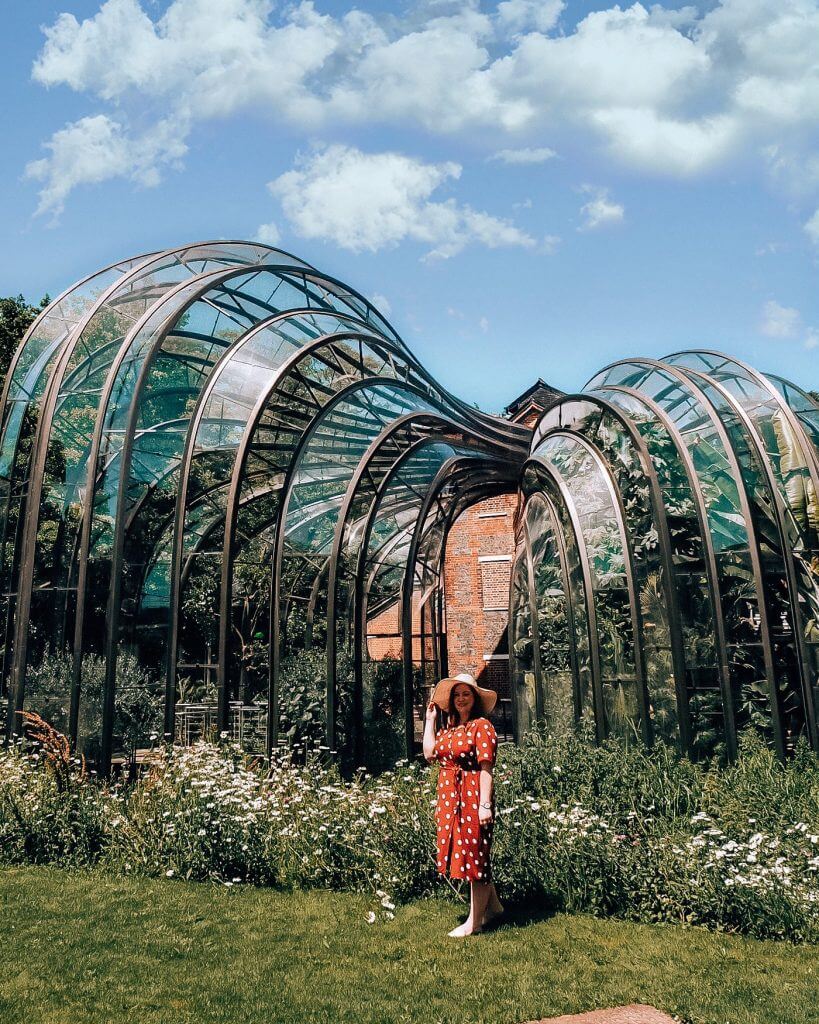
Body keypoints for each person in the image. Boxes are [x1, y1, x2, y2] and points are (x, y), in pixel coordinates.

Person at [423, 671, 504, 937]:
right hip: (450, 797)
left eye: (465, 694)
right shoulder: (451, 728)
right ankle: (493, 909)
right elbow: (429, 754)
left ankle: (475, 922)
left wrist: (485, 804)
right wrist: (430, 720)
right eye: (456, 695)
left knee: (475, 856)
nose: (460, 699)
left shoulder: (482, 726)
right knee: (468, 852)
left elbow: (486, 769)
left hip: (471, 796)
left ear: (475, 698)